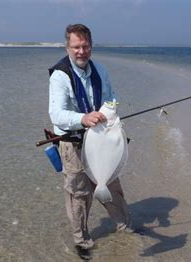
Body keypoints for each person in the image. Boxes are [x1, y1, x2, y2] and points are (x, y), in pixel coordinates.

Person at [48, 24, 132, 260]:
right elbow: (56, 114)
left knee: (112, 186)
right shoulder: (60, 76)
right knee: (79, 194)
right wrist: (83, 118)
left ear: (91, 47)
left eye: (85, 46)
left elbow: (112, 98)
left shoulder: (100, 70)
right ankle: (82, 241)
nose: (81, 51)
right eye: (76, 47)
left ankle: (126, 226)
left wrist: (107, 111)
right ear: (68, 47)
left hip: (102, 140)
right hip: (72, 143)